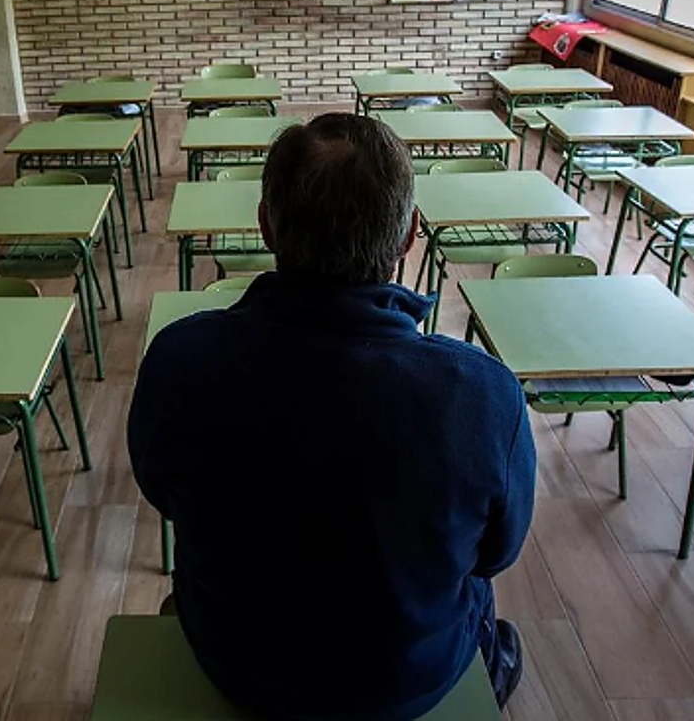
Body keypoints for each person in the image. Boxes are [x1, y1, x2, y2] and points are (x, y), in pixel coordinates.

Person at [127, 113, 535, 720]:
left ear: (266, 226)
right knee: (475, 591)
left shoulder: (178, 358)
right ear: (409, 235)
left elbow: (161, 491)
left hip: (238, 666)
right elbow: (495, 553)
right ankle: (489, 666)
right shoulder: (484, 392)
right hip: (406, 683)